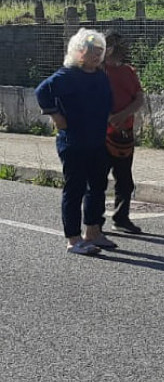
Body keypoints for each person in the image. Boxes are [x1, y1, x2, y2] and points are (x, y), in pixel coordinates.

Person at [35, 29, 115, 255]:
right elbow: (42, 91)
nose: (97, 56)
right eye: (93, 52)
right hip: (74, 142)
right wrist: (56, 116)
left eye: (100, 52)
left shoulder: (99, 74)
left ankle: (93, 231)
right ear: (79, 52)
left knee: (98, 187)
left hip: (97, 140)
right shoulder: (67, 74)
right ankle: (73, 238)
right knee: (75, 189)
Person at [101, 30, 145, 235]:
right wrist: (110, 117)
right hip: (102, 135)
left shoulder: (129, 71)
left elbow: (139, 98)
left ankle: (121, 218)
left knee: (125, 180)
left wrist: (122, 116)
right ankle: (94, 222)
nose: (116, 48)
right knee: (98, 180)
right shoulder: (97, 72)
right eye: (111, 44)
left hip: (124, 134)